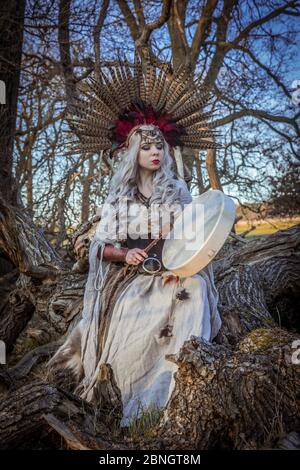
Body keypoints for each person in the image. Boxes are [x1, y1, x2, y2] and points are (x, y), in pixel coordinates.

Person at [48, 55, 221, 426]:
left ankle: (177, 395)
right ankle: (133, 401)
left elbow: (194, 236)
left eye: (159, 145)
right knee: (134, 318)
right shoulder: (119, 199)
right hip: (132, 276)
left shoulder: (178, 191)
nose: (155, 152)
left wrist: (184, 266)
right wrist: (124, 253)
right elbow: (99, 247)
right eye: (146, 146)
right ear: (132, 153)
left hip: (174, 270)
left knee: (194, 294)